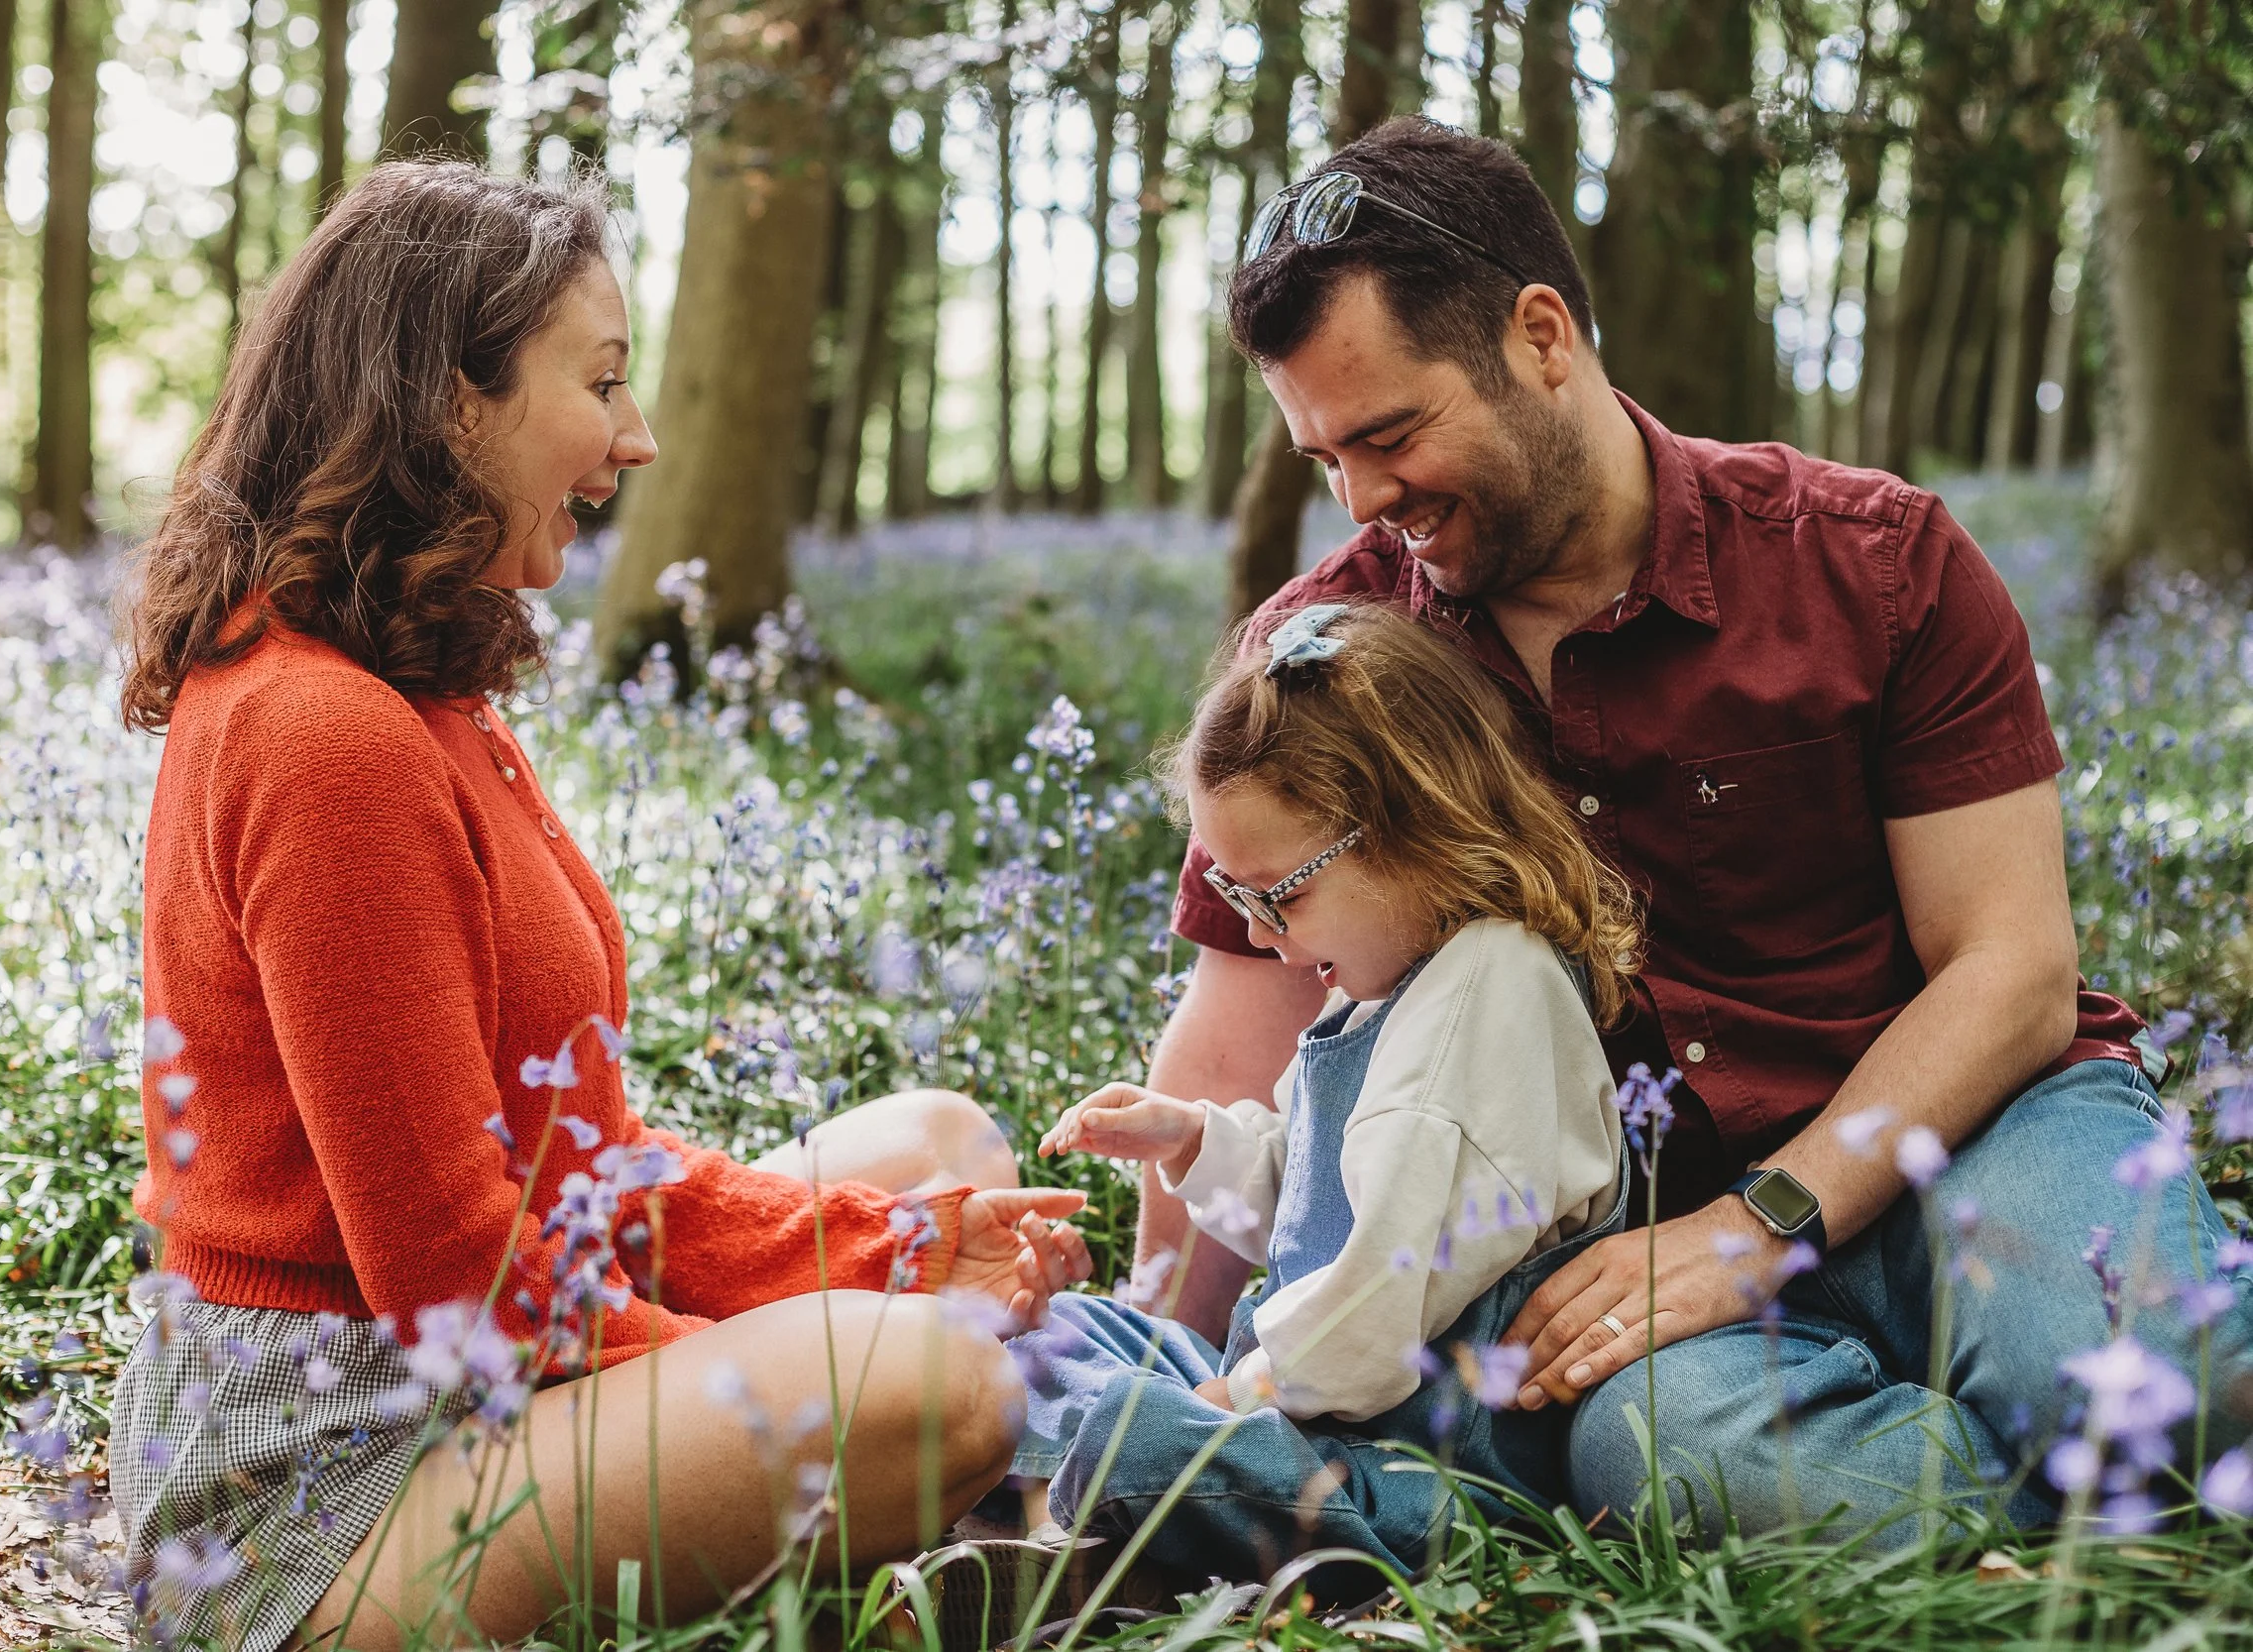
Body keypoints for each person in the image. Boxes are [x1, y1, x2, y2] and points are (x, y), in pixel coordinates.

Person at [1137, 116, 2246, 1544]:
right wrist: (1162, 1377)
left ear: (1542, 336)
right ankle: (2073, 1500)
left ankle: (2051, 1448)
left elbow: (2013, 971)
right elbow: (1243, 1032)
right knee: (1666, 1452)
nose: (1362, 497)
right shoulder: (1324, 664)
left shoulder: (1874, 563)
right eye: (1324, 457)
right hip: (1640, 1263)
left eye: (1391, 435)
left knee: (2170, 1373)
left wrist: (1759, 1222)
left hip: (1971, 1129)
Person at [109, 161, 1091, 1652]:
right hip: (318, 1485)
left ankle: (888, 1541)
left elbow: (577, 1164)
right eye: (603, 380)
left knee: (939, 1147)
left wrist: (884, 1247)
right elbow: (461, 1275)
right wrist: (761, 1345)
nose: (638, 437)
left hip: (458, 1373)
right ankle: (915, 1546)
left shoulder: (410, 692)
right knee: (941, 1383)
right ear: (453, 399)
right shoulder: (325, 735)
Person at [1006, 601, 1635, 1588]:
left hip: (1419, 1470)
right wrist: (1193, 1139)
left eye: (1280, 895)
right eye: (1237, 896)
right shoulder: (1400, 972)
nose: (1261, 935)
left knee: (1140, 1433)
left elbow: (1377, 1299)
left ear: (1414, 831)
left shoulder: (1485, 1003)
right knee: (1056, 1336)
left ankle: (1045, 1551)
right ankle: (1073, 1508)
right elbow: (1321, 1202)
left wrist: (1232, 1396)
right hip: (1308, 1407)